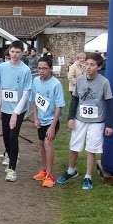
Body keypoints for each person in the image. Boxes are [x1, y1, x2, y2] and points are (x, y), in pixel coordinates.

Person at [57, 53, 113, 190]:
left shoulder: (104, 82)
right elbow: (75, 99)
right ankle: (71, 171)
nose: (88, 67)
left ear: (99, 67)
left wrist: (110, 124)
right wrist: (71, 118)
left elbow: (110, 103)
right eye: (86, 64)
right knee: (74, 146)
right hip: (80, 119)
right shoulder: (80, 80)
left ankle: (88, 177)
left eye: (92, 65)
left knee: (91, 149)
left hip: (97, 121)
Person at [0, 40, 32, 182]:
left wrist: (16, 113)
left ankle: (12, 169)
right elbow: (1, 87)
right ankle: (10, 155)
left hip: (19, 109)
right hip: (5, 107)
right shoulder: (2, 67)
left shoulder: (26, 70)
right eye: (12, 51)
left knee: (13, 136)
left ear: (22, 53)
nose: (15, 54)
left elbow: (27, 92)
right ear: (9, 52)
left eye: (18, 52)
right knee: (6, 136)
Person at [30, 56, 65, 188]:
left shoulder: (56, 84)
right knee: (41, 145)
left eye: (44, 68)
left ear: (50, 69)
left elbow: (59, 107)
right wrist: (35, 118)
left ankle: (49, 175)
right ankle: (44, 170)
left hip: (52, 120)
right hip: (41, 119)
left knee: (47, 144)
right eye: (39, 68)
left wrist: (52, 126)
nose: (41, 71)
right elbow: (35, 101)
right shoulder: (36, 81)